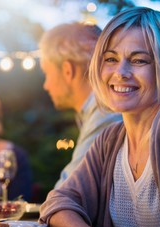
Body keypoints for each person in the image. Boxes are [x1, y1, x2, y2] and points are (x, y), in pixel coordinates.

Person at [39, 7, 160, 227]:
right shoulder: (111, 140)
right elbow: (57, 203)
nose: (121, 73)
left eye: (139, 60)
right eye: (111, 59)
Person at [39, 22, 121, 189]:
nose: (45, 85)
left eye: (47, 74)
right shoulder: (95, 111)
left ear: (68, 70)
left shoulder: (106, 111)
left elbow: (69, 190)